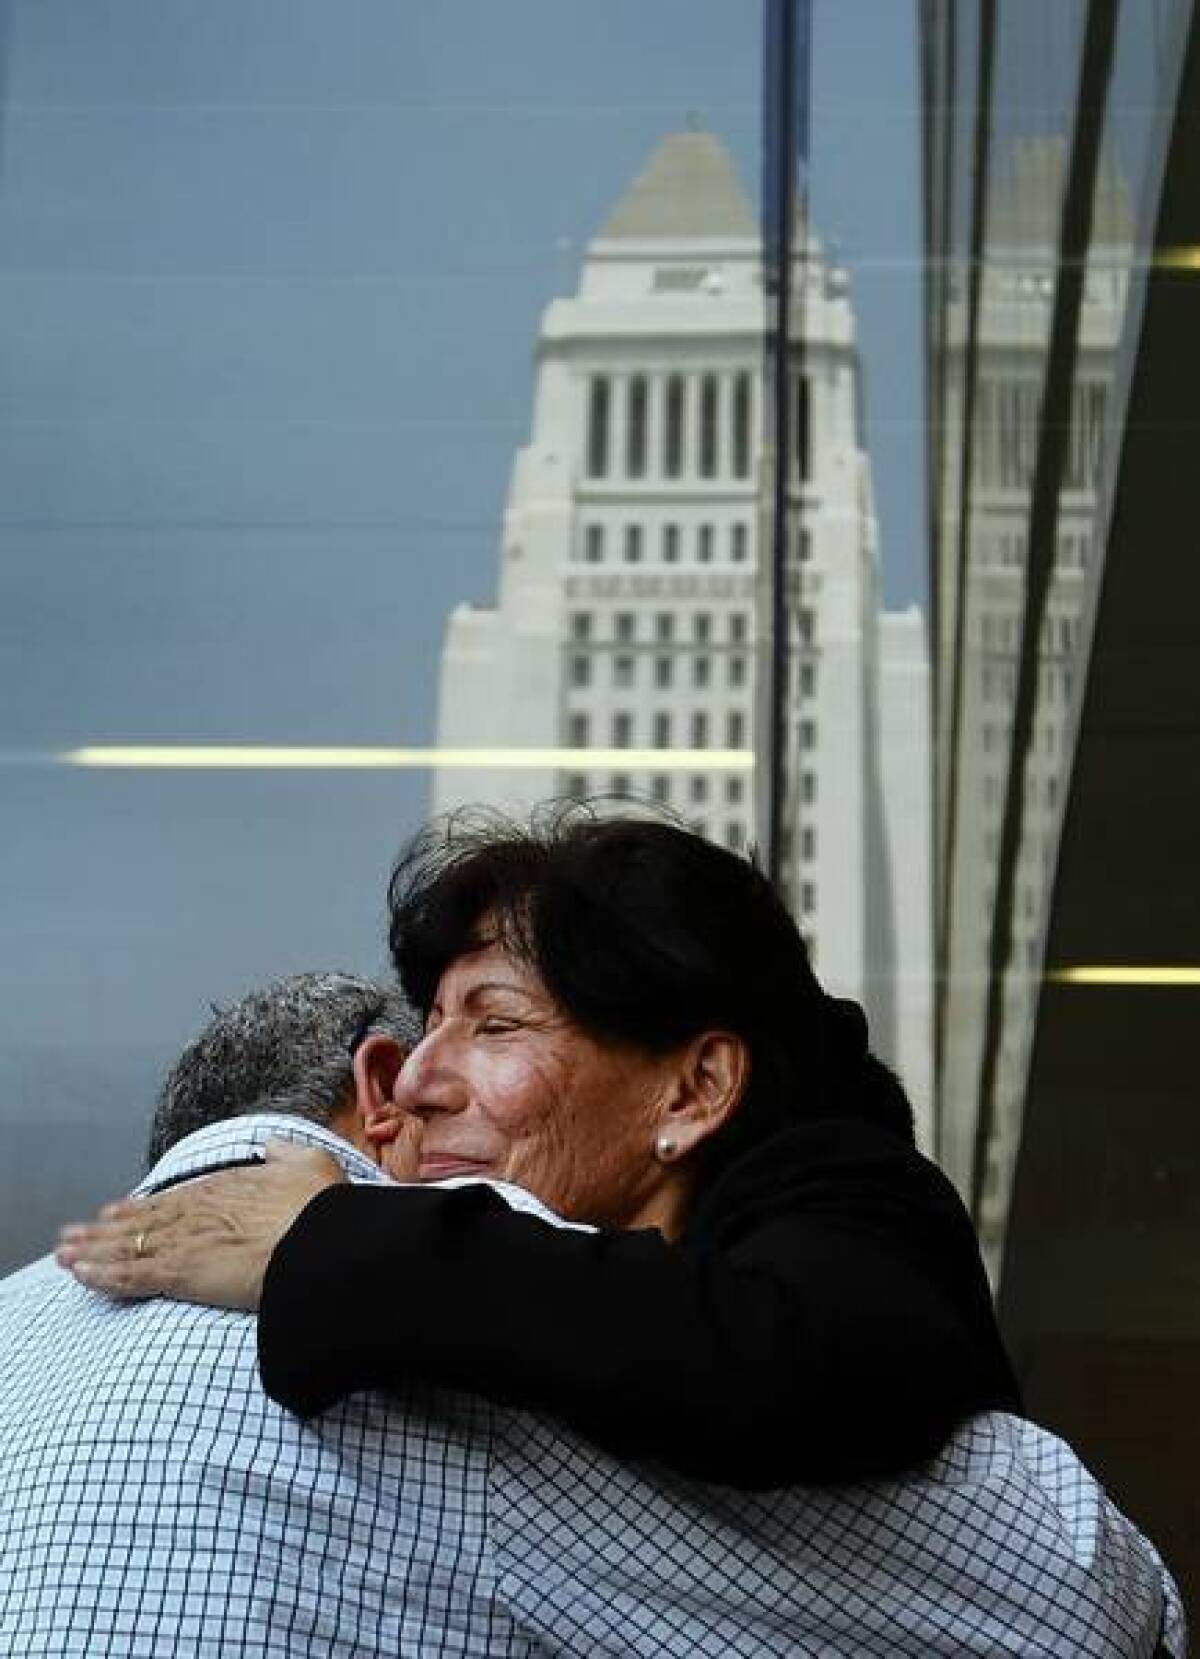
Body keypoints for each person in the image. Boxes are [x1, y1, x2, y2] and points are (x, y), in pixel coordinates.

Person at [41, 970, 1189, 1653]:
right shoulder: (439, 1332)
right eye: (472, 1034)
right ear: (389, 1090)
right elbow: (1078, 1595)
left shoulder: (19, 1338)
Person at [61, 809, 1021, 1486]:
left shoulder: (854, 1194)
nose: (415, 1083)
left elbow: (805, 1363)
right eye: (432, 1025)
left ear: (695, 1089)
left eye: (497, 1026)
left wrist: (339, 1243)